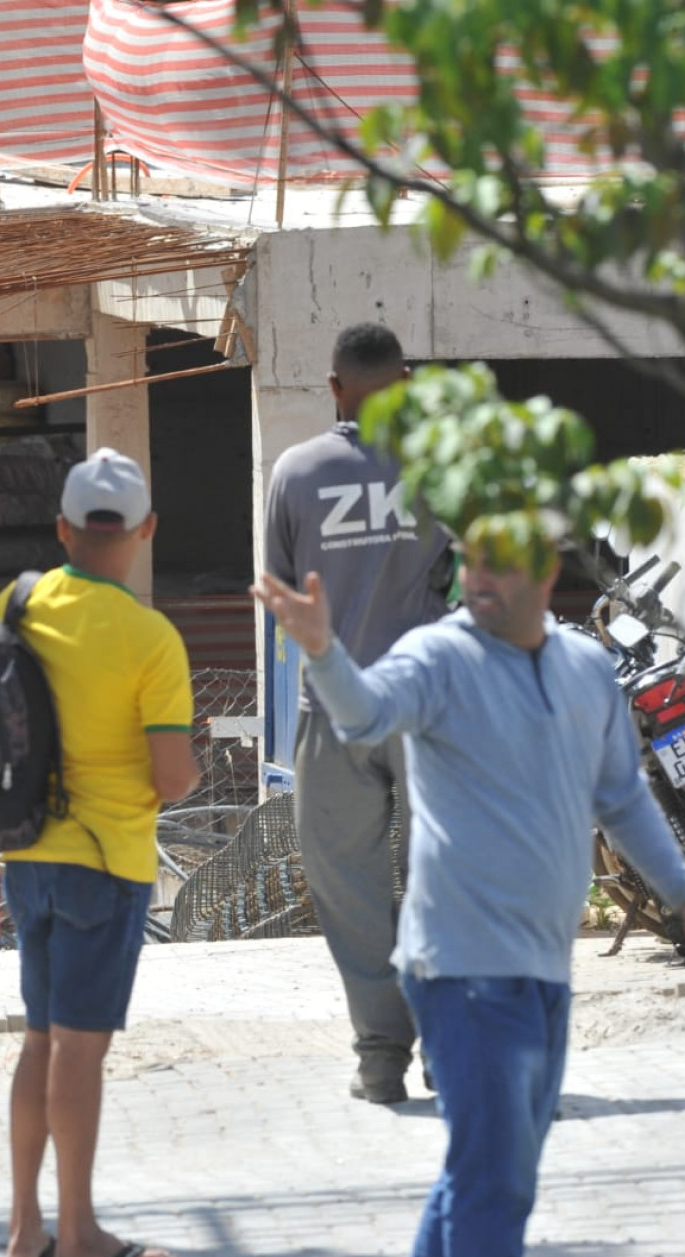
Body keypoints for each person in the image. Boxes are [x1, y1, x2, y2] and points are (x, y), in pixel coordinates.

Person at [254, 544, 685, 1257]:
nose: (478, 580)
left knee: (482, 1174)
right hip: (458, 968)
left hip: (543, 973)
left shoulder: (584, 669)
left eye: (499, 563)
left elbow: (620, 797)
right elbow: (363, 717)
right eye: (469, 563)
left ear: (546, 571)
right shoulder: (435, 657)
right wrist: (322, 650)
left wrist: (679, 891)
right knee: (496, 1181)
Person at [0, 450, 197, 1257]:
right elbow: (172, 777)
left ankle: (23, 1233)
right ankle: (77, 1238)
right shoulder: (151, 638)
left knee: (39, 1040)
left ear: (62, 530)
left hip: (25, 854)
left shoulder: (20, 602)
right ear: (145, 530)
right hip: (105, 863)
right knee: (80, 1047)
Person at [263, 322, 452, 1104]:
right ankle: (447, 1049)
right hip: (432, 710)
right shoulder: (444, 465)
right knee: (443, 879)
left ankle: (380, 1060)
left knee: (349, 887)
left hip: (333, 710)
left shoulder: (296, 472)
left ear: (333, 388)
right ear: (404, 381)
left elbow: (279, 595)